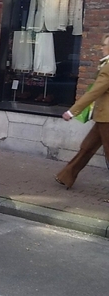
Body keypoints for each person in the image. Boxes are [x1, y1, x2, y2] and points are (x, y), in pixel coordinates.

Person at [55, 33, 109, 188]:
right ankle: (67, 176)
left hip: (107, 117)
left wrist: (72, 111)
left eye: (105, 45)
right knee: (87, 147)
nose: (102, 48)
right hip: (103, 117)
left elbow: (94, 92)